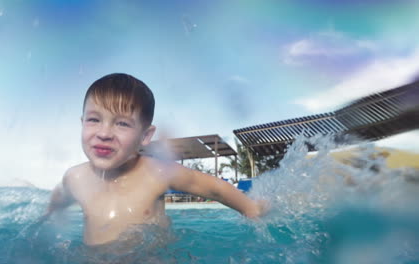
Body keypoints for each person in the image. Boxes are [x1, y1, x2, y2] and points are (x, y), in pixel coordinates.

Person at [44, 73, 269, 246]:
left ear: (145, 136)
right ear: (82, 122)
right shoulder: (75, 177)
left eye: (122, 123)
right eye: (94, 120)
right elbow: (60, 200)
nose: (104, 133)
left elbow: (214, 189)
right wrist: (51, 212)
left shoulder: (156, 172)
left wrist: (250, 208)